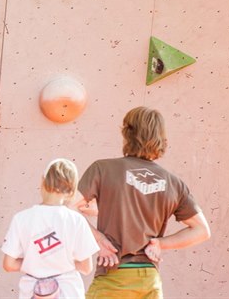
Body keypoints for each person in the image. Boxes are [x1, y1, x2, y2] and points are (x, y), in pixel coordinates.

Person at [76, 106, 211, 298]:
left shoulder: (102, 169)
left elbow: (66, 208)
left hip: (113, 277)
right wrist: (160, 244)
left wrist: (99, 239)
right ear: (161, 139)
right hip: (150, 282)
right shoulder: (174, 183)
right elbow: (202, 231)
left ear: (127, 134)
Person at [2, 158, 100, 299]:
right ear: (72, 191)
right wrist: (61, 264)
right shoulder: (76, 220)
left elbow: (9, 265)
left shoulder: (21, 218)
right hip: (69, 292)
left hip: (31, 292)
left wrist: (36, 263)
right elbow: (86, 267)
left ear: (43, 181)